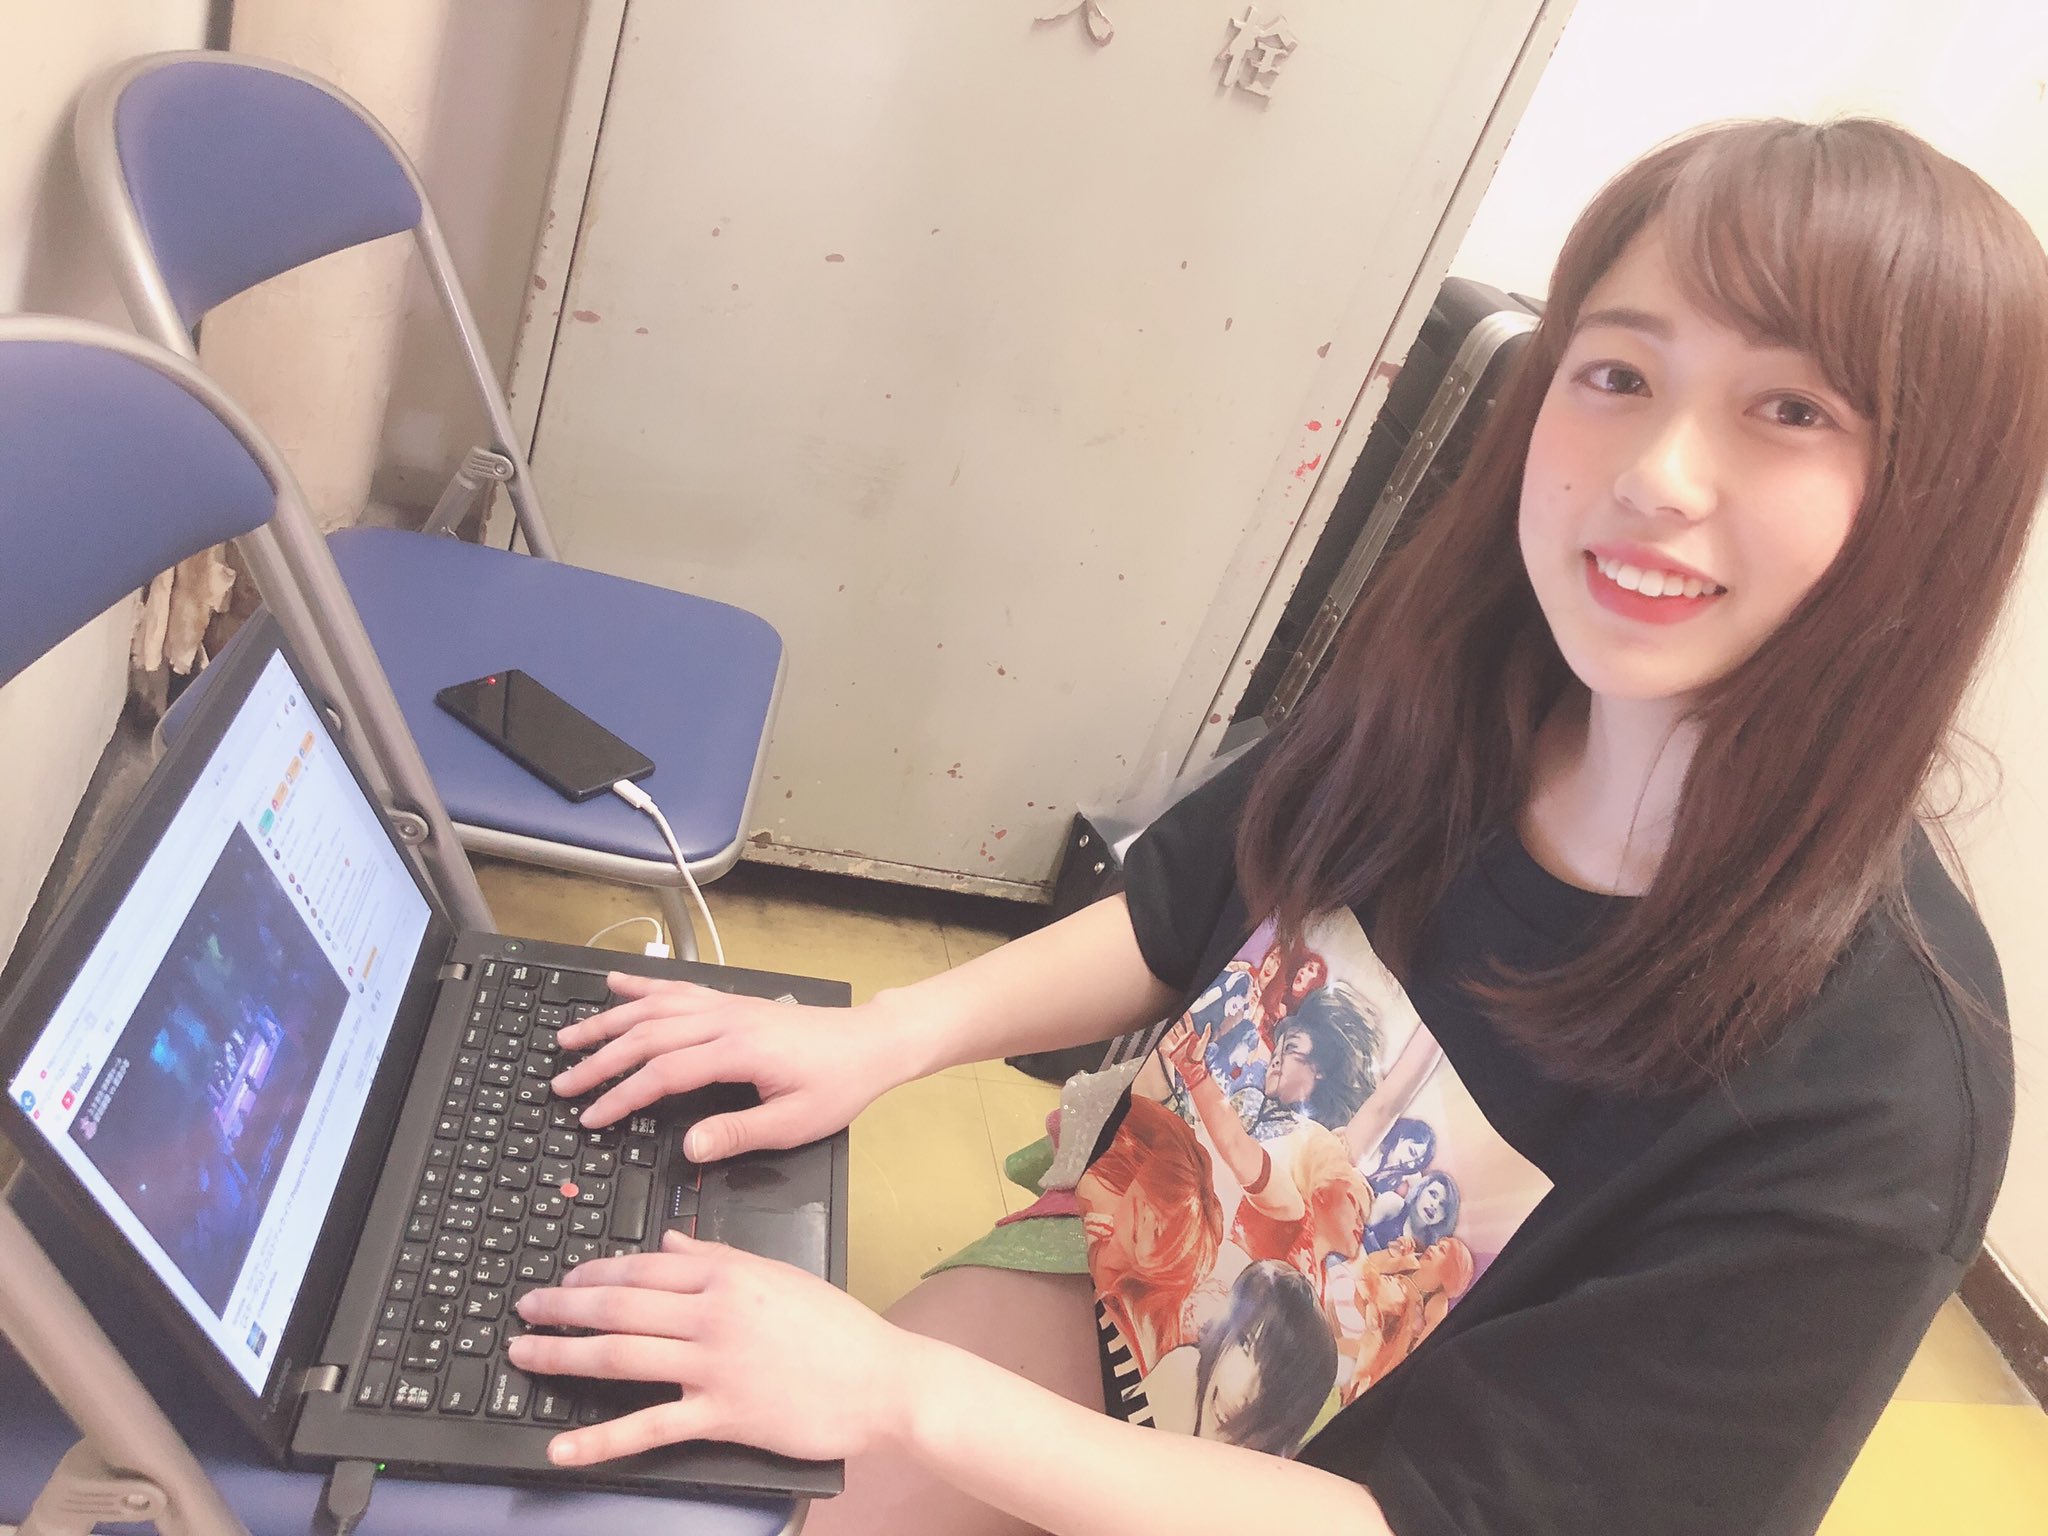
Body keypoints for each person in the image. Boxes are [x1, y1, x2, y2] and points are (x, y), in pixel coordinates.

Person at [502, 118, 2045, 1536]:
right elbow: (1188, 896)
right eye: (1619, 373)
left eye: (1791, 411)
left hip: (1342, 1503)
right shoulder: (1465, 692)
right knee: (679, 1485)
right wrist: (876, 1039)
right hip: (1139, 1284)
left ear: (1937, 499)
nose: (1658, 476)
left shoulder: (1881, 1090)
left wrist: (905, 1394)